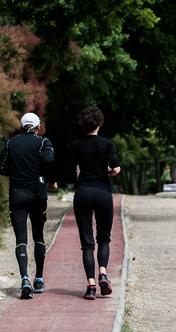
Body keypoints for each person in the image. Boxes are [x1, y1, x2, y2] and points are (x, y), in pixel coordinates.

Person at [0, 112, 57, 299]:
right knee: (38, 236)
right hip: (38, 194)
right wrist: (51, 180)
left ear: (20, 127)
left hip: (17, 194)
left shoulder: (10, 143)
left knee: (20, 238)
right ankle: (38, 278)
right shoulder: (44, 142)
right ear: (38, 127)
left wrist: (15, 173)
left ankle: (24, 279)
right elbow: (50, 160)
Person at [70, 106, 121, 300]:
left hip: (83, 192)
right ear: (99, 123)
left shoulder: (76, 145)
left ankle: (90, 286)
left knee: (87, 242)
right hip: (102, 192)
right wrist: (105, 172)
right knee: (104, 238)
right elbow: (116, 169)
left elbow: (72, 171)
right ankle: (103, 273)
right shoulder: (107, 144)